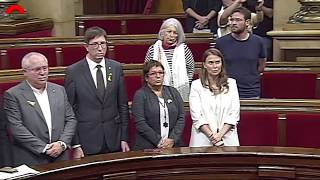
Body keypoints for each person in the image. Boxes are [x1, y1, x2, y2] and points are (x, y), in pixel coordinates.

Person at [65, 26, 130, 157]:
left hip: (114, 139)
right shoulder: (74, 71)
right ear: (86, 47)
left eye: (103, 43)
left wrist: (124, 138)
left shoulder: (116, 68)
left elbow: (122, 105)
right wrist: (76, 144)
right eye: (95, 44)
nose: (100, 48)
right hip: (87, 140)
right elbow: (70, 110)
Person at [3, 52, 77, 166]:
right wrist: (44, 148)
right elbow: (16, 128)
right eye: (37, 69)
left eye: (45, 68)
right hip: (31, 157)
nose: (42, 73)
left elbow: (70, 119)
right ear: (25, 72)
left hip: (61, 156)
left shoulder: (59, 90)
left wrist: (62, 144)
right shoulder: (13, 95)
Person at [189, 48, 240, 147]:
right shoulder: (196, 85)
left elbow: (234, 113)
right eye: (211, 63)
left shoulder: (231, 84)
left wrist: (219, 135)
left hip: (227, 138)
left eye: (217, 62)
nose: (215, 66)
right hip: (203, 138)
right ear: (204, 65)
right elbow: (197, 116)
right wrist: (213, 136)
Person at [132, 60, 185, 150]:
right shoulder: (140, 95)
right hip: (148, 146)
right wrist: (159, 141)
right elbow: (140, 123)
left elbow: (181, 117)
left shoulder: (173, 92)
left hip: (173, 144)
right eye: (153, 73)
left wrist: (172, 139)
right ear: (146, 77)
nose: (158, 76)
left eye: (161, 73)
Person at [215, 7, 266, 99]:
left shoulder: (258, 42)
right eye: (231, 20)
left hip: (251, 91)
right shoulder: (221, 43)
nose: (233, 23)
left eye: (238, 20)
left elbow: (261, 66)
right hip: (227, 91)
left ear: (247, 22)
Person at [145, 18, 195, 102]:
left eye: (175, 33)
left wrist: (185, 83)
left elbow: (191, 68)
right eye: (169, 32)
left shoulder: (184, 49)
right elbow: (147, 69)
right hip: (157, 89)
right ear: (163, 32)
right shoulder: (153, 49)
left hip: (181, 89)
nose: (171, 35)